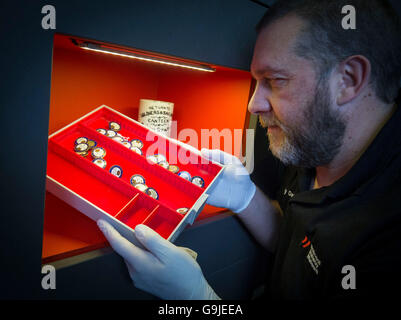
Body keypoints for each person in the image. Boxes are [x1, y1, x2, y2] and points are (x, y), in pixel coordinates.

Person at [97, 0, 401, 300]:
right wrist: (244, 197)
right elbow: (300, 240)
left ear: (348, 80)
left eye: (275, 80)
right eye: (257, 82)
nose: (253, 105)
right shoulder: (316, 144)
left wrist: (196, 298)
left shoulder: (386, 237)